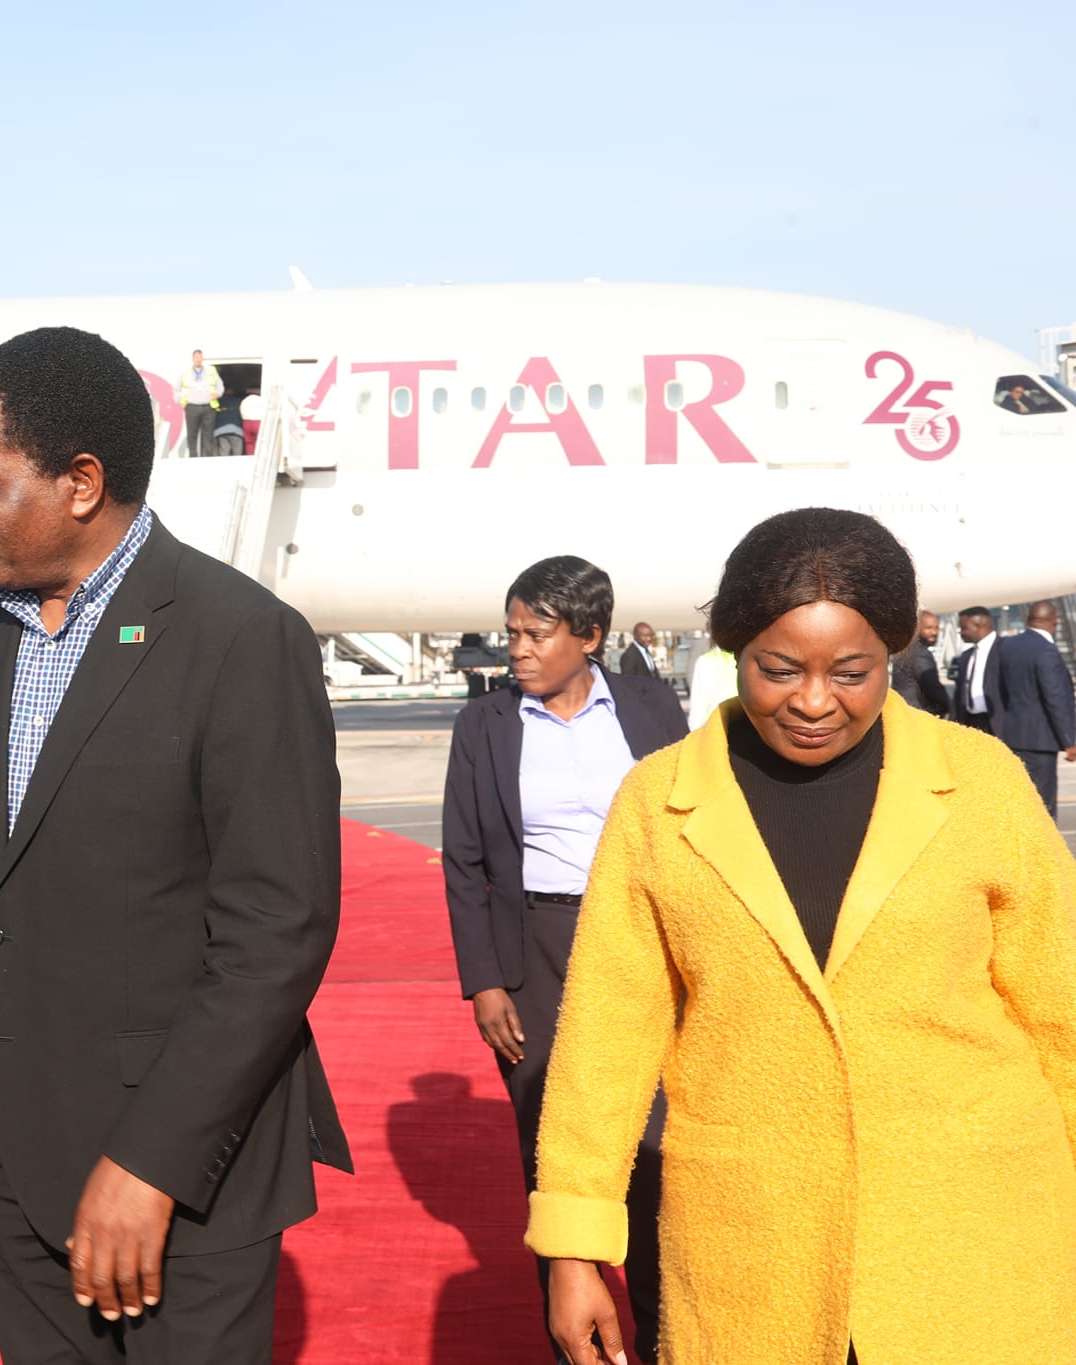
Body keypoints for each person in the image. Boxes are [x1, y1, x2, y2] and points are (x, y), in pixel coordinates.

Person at [0, 326, 351, 1363]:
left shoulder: (239, 639)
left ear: (80, 483)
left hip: (181, 1178)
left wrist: (153, 1162)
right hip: (11, 1162)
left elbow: (275, 934)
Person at [531, 508, 1076, 1365]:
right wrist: (573, 1244)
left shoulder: (984, 783)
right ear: (734, 651)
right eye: (779, 669)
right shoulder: (657, 802)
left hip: (978, 1234)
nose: (815, 701)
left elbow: (1062, 1011)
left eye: (852, 672)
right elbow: (604, 1036)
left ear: (893, 654)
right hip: (753, 1245)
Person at [440, 555, 685, 1363]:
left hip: (643, 940)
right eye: (511, 632)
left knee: (656, 1144)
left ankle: (662, 1330)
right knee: (551, 1144)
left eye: (536, 633)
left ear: (590, 635)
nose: (517, 648)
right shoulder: (484, 724)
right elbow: (464, 861)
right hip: (537, 949)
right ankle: (580, 1341)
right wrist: (485, 981)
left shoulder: (651, 706)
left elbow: (691, 826)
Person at [992, 599, 1076, 812]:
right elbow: (1055, 698)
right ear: (1054, 622)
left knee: (1021, 800)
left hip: (1012, 735)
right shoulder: (1046, 650)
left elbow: (999, 688)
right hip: (1040, 740)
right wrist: (1069, 741)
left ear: (1028, 620)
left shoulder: (1008, 645)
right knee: (1043, 804)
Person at [888, 609, 949, 716]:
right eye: (929, 628)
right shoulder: (919, 653)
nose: (934, 632)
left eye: (937, 628)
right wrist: (950, 707)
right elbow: (933, 688)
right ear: (916, 628)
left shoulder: (906, 648)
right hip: (916, 714)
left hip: (903, 711)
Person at [949, 604, 999, 732]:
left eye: (964, 628)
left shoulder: (1005, 650)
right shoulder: (966, 656)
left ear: (978, 626)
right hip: (970, 723)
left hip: (997, 724)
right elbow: (960, 693)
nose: (960, 632)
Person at [176, 348, 222, 458]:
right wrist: (180, 401)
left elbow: (220, 386)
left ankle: (208, 457)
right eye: (196, 357)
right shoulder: (185, 372)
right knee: (192, 434)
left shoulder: (211, 371)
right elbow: (176, 389)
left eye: (200, 357)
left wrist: (218, 393)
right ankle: (193, 457)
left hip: (208, 406)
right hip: (191, 406)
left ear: (203, 359)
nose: (198, 360)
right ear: (192, 359)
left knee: (208, 434)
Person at [685, 642, 737, 731]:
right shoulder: (746, 658)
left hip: (714, 728)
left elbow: (698, 707)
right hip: (742, 724)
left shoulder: (705, 661)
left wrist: (694, 733)